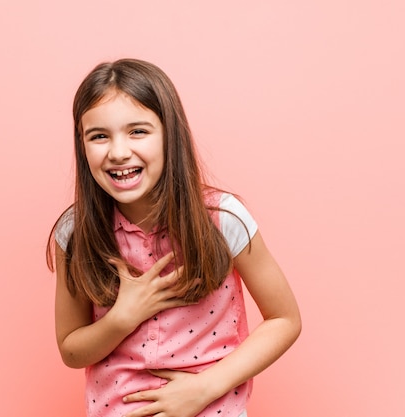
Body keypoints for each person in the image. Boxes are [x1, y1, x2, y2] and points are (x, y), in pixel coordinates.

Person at [47, 58, 301, 417]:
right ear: (82, 145)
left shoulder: (222, 219)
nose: (118, 152)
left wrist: (203, 389)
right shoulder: (75, 232)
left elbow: (285, 319)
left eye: (138, 131)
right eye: (99, 136)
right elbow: (71, 349)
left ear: (170, 134)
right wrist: (123, 317)